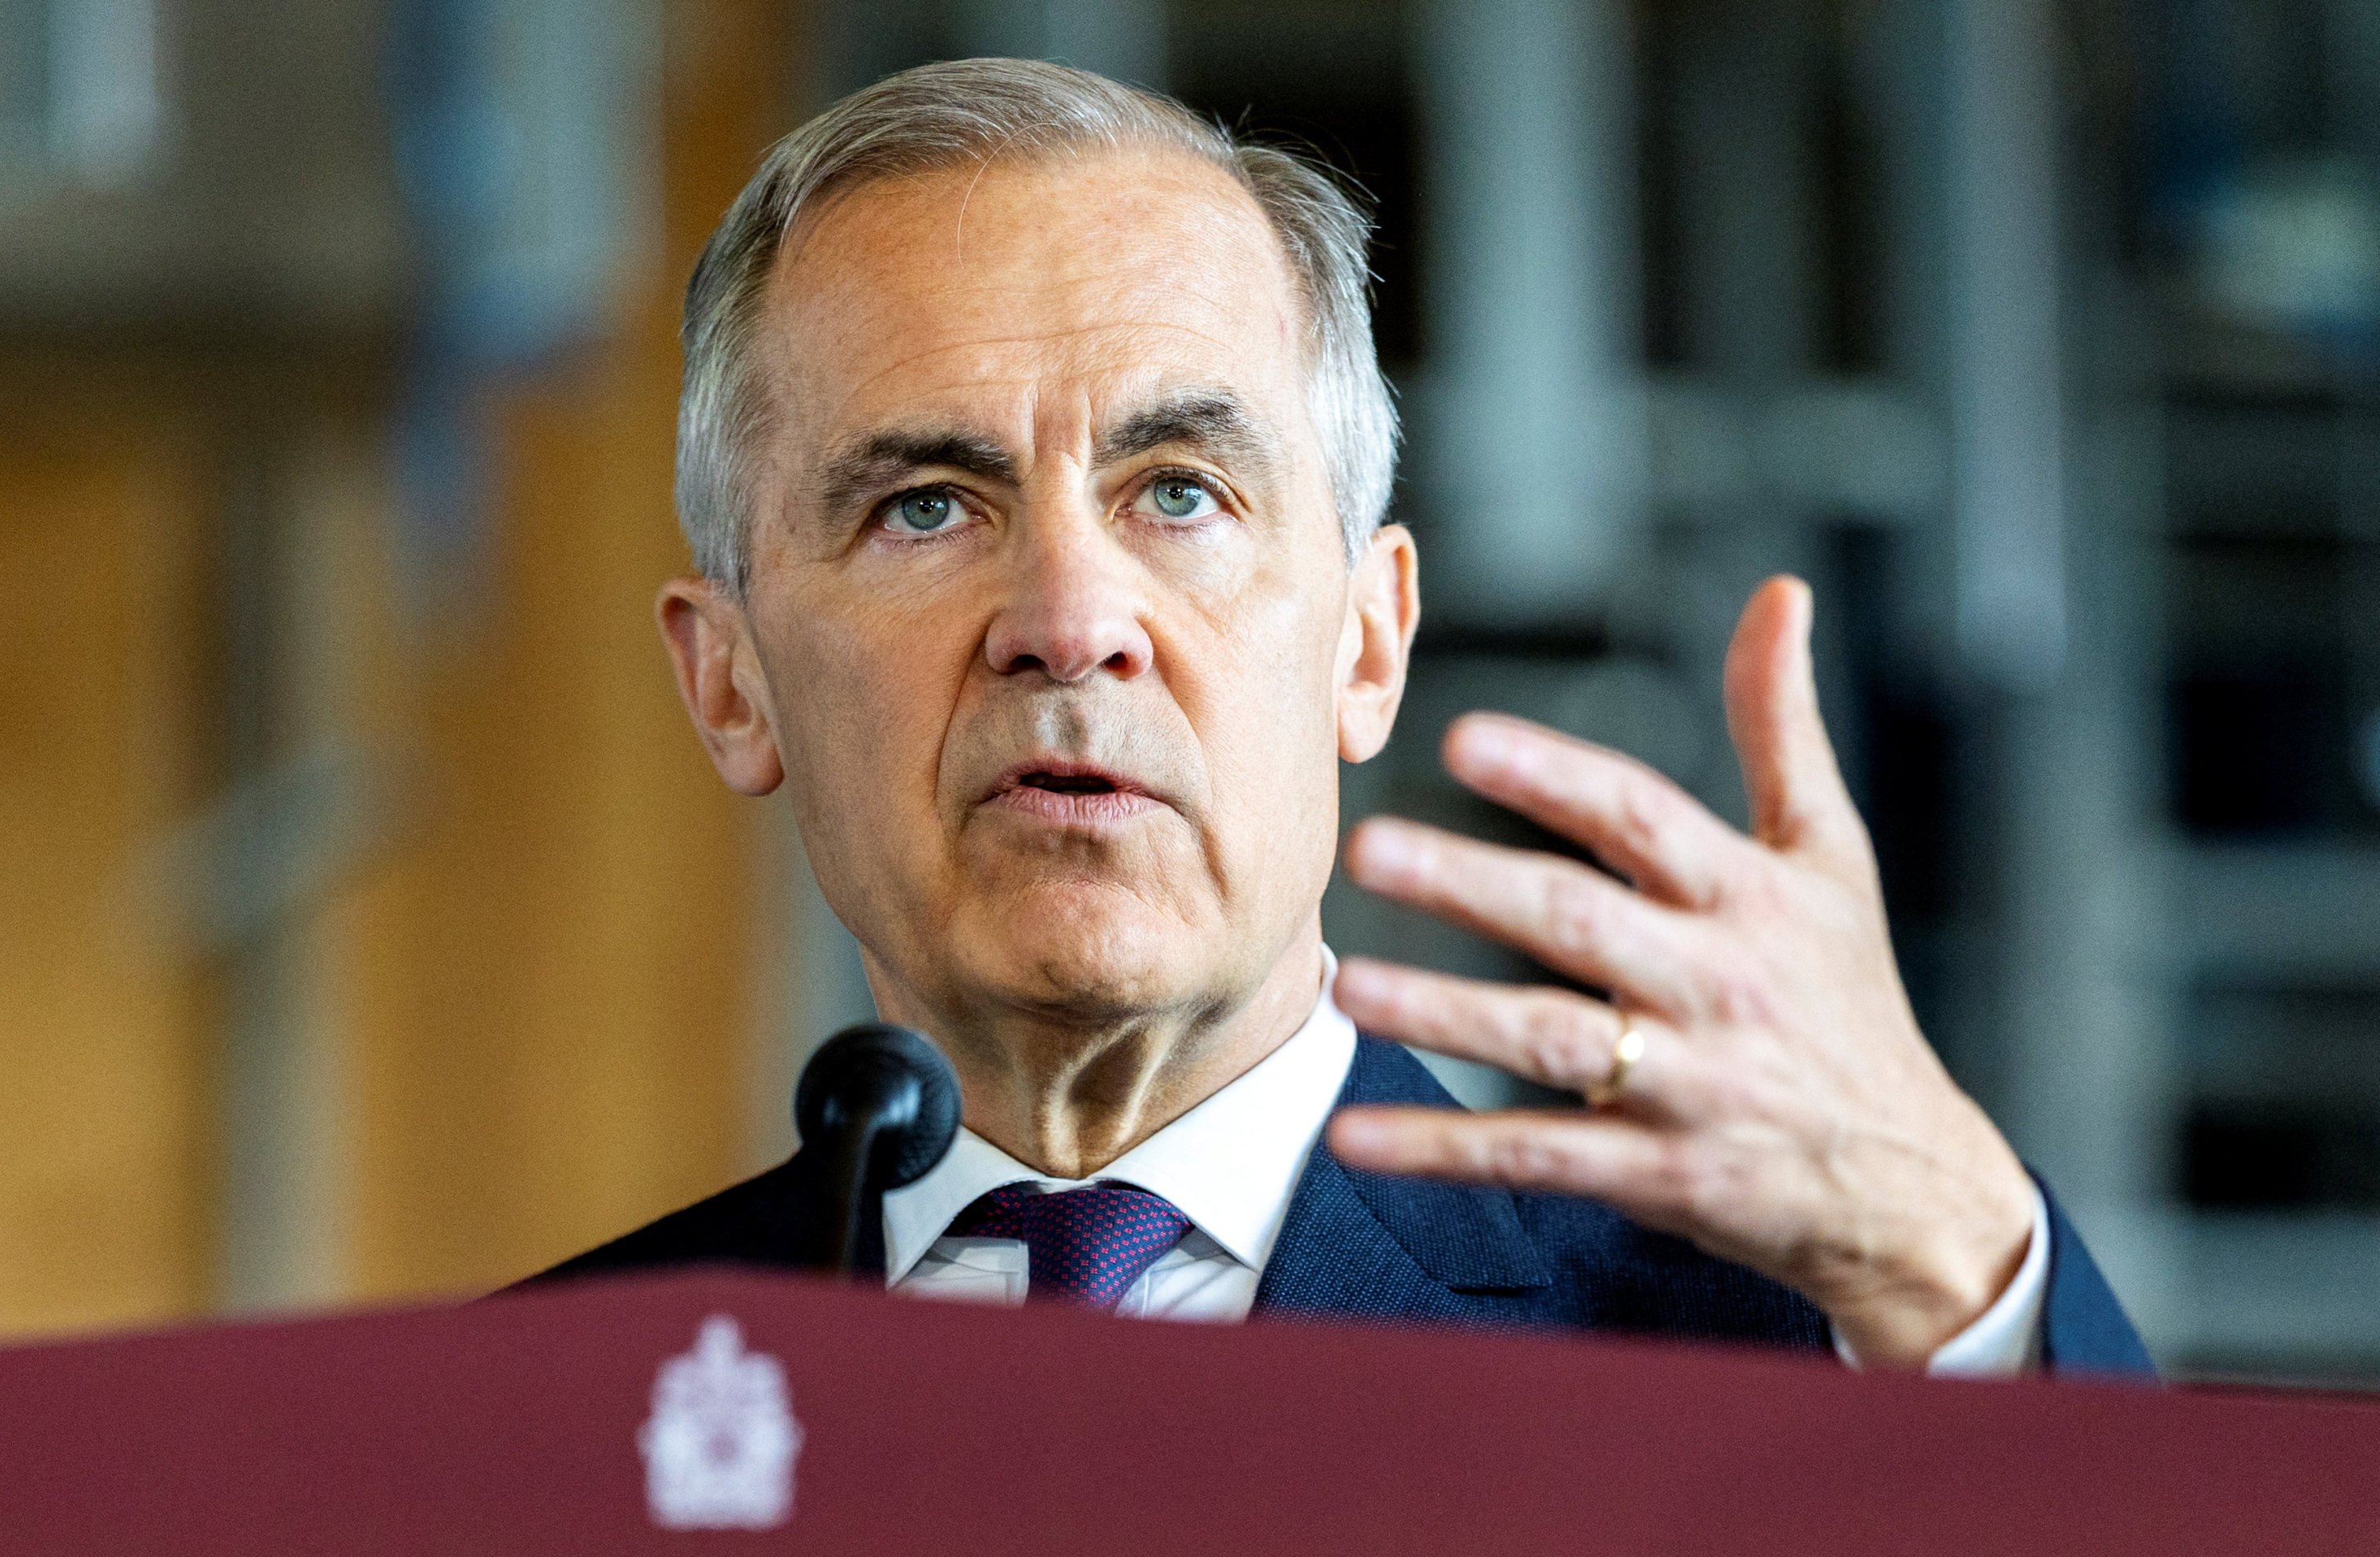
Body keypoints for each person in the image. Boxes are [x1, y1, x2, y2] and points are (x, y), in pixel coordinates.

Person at [534, 58, 2148, 1377]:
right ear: (728, 681)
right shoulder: (528, 1427)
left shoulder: (1772, 1352)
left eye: (1177, 491)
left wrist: (1944, 1238)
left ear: (1366, 642)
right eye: (925, 509)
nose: (1069, 625)